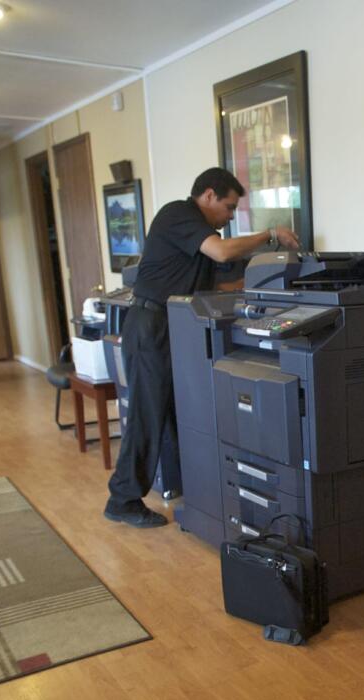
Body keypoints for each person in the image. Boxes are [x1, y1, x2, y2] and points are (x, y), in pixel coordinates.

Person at [104, 167, 299, 528]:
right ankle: (123, 498)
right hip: (150, 326)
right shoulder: (179, 215)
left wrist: (268, 290)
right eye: (227, 207)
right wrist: (270, 234)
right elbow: (223, 253)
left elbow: (219, 286)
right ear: (208, 195)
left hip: (173, 326)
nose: (227, 218)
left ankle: (185, 487)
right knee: (148, 415)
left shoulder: (198, 236)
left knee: (176, 412)